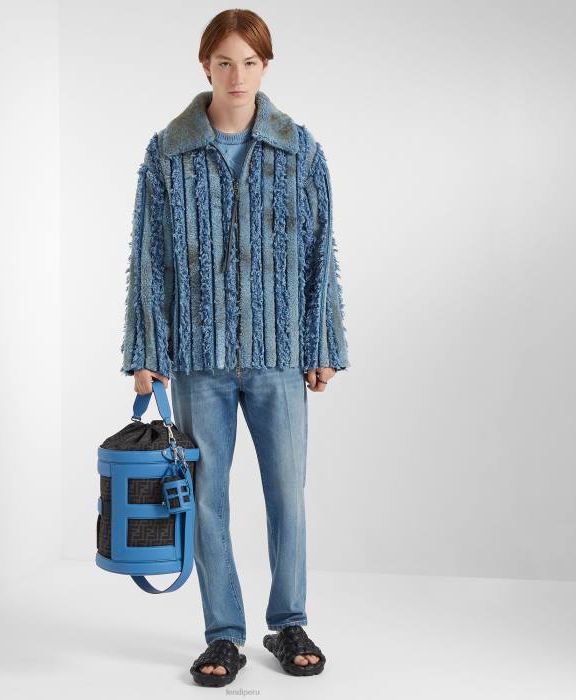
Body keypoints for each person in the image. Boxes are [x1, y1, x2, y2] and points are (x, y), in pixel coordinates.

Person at [120, 8, 349, 687]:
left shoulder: (298, 149)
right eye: (225, 62)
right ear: (206, 66)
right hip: (198, 359)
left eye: (250, 62)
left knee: (287, 496)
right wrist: (147, 349)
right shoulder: (169, 152)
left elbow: (320, 252)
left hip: (279, 353)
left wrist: (323, 342)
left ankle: (290, 622)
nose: (237, 75)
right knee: (206, 499)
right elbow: (149, 256)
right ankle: (223, 634)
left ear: (265, 67)